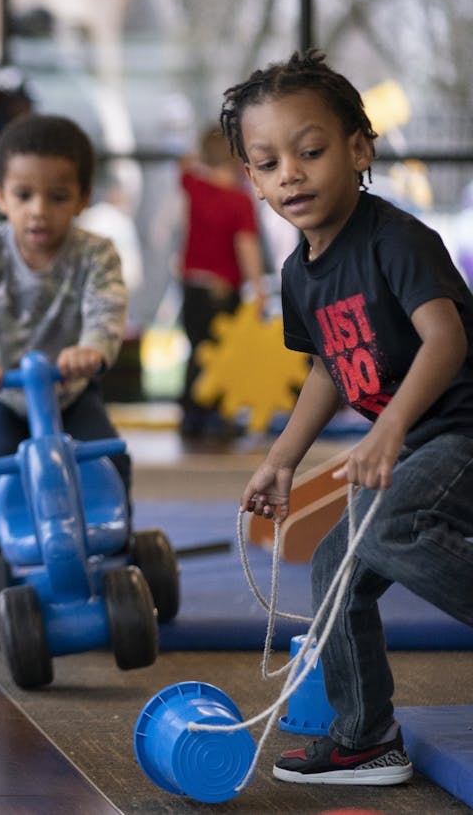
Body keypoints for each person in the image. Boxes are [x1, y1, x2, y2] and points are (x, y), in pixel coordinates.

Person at [225, 49, 473, 786]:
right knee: (336, 566)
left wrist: (389, 427)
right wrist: (283, 458)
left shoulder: (396, 238)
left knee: (394, 525)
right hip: (417, 438)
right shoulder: (300, 272)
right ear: (254, 180)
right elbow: (331, 366)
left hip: (460, 430)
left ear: (359, 148)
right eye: (268, 163)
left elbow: (447, 337)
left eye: (310, 151)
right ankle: (367, 736)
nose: (291, 174)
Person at [0, 114, 130, 637]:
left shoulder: (96, 255)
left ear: (84, 197)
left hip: (69, 390)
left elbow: (107, 309)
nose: (39, 211)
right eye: (24, 195)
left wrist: (93, 349)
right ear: (1, 196)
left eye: (58, 196)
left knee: (107, 457)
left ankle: (118, 565)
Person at [179, 124, 267, 439]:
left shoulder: (192, 185)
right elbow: (247, 245)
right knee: (222, 351)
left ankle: (191, 411)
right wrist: (257, 286)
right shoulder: (238, 201)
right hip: (221, 286)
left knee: (197, 348)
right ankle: (215, 412)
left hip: (191, 284)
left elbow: (186, 162)